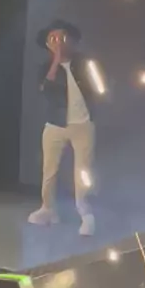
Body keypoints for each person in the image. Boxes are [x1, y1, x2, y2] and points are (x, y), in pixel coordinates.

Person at [28, 20, 96, 235]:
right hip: (55, 124)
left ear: (72, 40)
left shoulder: (84, 63)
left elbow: (99, 88)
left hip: (83, 125)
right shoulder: (45, 68)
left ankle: (85, 214)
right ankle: (48, 209)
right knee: (49, 170)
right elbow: (46, 90)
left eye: (62, 37)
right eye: (53, 39)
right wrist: (56, 60)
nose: (58, 42)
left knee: (82, 172)